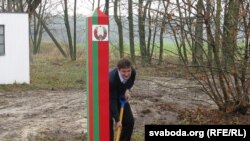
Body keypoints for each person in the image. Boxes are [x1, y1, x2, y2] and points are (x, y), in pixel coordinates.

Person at [109, 58, 136, 141]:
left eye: (128, 71)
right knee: (108, 123)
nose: (127, 74)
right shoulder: (112, 79)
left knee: (129, 121)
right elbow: (112, 100)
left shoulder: (133, 72)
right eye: (124, 71)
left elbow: (131, 81)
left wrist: (128, 89)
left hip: (121, 96)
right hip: (107, 96)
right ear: (118, 69)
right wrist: (117, 120)